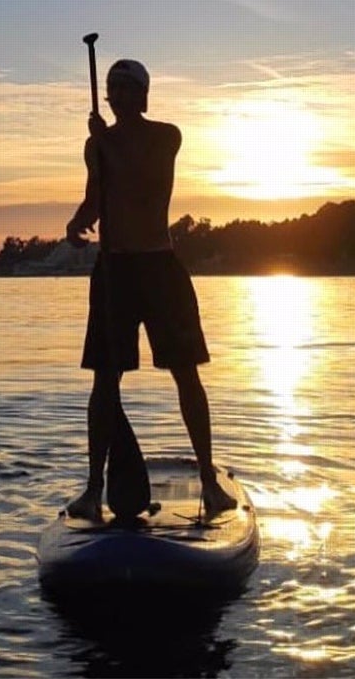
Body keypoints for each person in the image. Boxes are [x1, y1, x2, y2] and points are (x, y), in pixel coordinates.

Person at [64, 58, 237, 521]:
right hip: (113, 272)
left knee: (186, 371)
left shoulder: (167, 136)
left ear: (143, 95)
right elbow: (97, 196)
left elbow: (145, 185)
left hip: (160, 269)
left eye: (124, 89)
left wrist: (104, 143)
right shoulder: (97, 146)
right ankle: (92, 489)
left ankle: (208, 481)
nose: (116, 97)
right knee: (104, 380)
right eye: (111, 90)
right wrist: (78, 222)